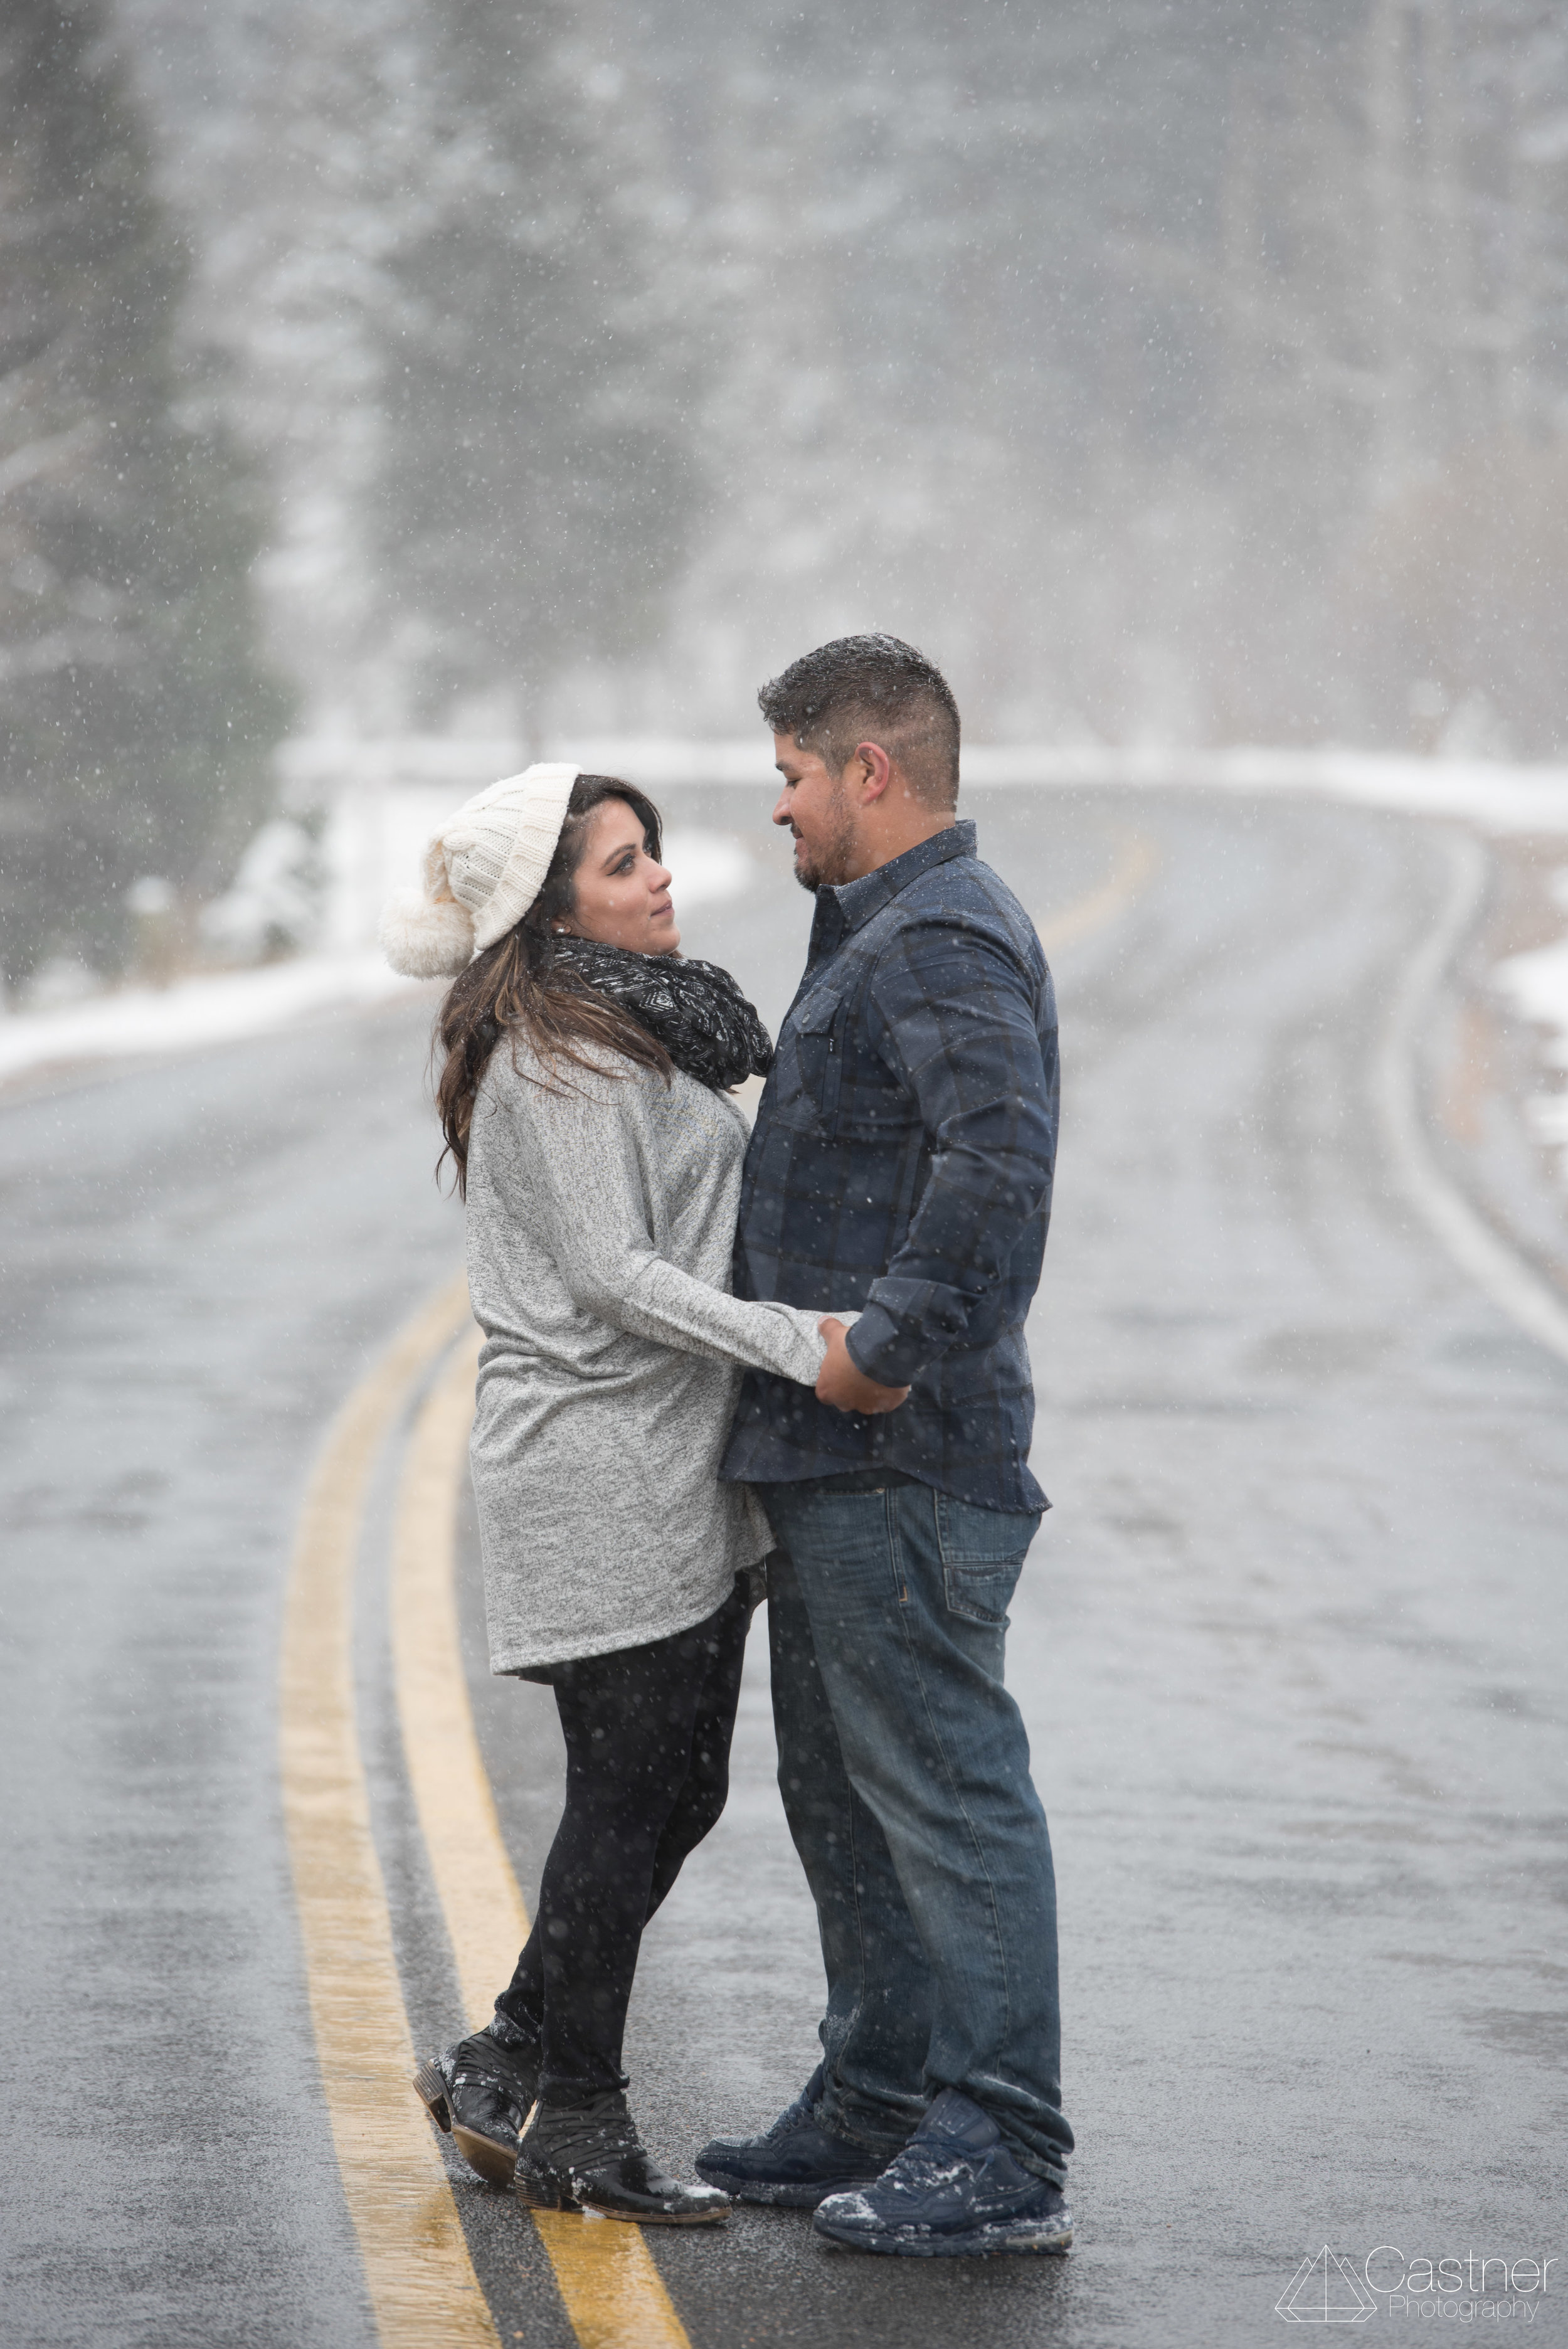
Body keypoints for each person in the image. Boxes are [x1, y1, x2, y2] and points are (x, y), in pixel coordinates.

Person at [379, 765, 899, 2227]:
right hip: (594, 1471)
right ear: (550, 916)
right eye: (619, 864)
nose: (658, 875)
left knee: (667, 1794)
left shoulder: (627, 1033)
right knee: (629, 1801)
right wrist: (804, 1346)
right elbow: (615, 1275)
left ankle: (507, 2058)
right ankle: (578, 2123)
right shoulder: (555, 1059)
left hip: (660, 1467)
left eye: (651, 850)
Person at [694, 635, 1076, 2257]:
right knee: (844, 1797)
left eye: (790, 771)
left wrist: (885, 1349)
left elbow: (998, 1170)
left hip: (902, 1455)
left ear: (869, 769)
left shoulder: (934, 939)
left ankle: (1001, 2143)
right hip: (829, 1460)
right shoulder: (879, 931)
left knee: (941, 1790)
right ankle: (874, 2097)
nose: (774, 804)